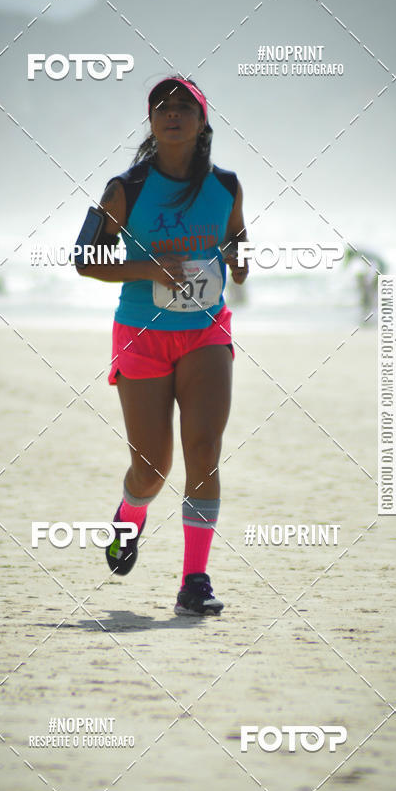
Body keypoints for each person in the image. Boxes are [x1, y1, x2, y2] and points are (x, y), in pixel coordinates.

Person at [76, 77, 248, 615]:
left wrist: (238, 261)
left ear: (202, 122)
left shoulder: (227, 185)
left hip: (206, 332)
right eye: (162, 108)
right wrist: (147, 267)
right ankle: (130, 515)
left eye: (184, 108)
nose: (172, 115)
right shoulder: (124, 189)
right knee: (152, 467)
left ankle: (195, 581)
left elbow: (234, 234)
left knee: (204, 449)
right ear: (151, 122)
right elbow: (85, 257)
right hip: (142, 334)